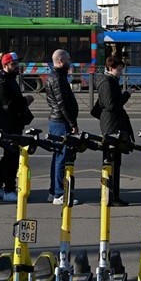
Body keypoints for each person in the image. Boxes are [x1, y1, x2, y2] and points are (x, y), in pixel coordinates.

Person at [0, 52, 35, 202]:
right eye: (13, 64)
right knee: (12, 157)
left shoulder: (8, 78)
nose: (17, 67)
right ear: (5, 65)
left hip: (13, 122)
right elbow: (8, 105)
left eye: (17, 64)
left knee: (8, 156)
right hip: (8, 123)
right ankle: (9, 189)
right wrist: (26, 101)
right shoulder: (3, 82)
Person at [95, 56, 134, 206]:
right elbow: (111, 105)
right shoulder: (107, 82)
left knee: (114, 161)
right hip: (111, 124)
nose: (120, 73)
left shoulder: (110, 81)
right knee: (111, 160)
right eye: (118, 70)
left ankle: (113, 195)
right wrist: (127, 95)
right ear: (111, 68)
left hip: (111, 122)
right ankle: (111, 197)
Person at [44, 49, 80, 205]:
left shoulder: (56, 76)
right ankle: (59, 193)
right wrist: (72, 123)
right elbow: (62, 103)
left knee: (58, 156)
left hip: (57, 120)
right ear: (60, 61)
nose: (70, 62)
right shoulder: (57, 78)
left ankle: (53, 191)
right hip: (60, 122)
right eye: (68, 60)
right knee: (61, 157)